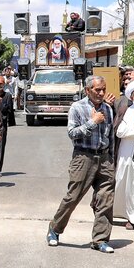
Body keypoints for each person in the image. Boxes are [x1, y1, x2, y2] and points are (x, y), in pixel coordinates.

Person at [46, 75, 115, 253]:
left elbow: (110, 136)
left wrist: (112, 160)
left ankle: (100, 240)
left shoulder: (108, 108)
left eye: (103, 89)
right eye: (97, 90)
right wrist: (92, 122)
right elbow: (72, 133)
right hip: (83, 157)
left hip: (104, 158)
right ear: (87, 90)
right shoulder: (77, 107)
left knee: (105, 200)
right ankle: (54, 229)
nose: (101, 93)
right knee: (73, 197)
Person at [113, 80, 134, 230]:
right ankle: (133, 218)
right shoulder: (130, 111)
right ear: (132, 97)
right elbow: (120, 132)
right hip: (129, 156)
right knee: (131, 186)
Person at [0, 73, 15, 172]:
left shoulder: (8, 96)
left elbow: (10, 111)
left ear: (4, 84)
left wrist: (9, 123)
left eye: (1, 83)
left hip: (2, 125)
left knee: (1, 147)